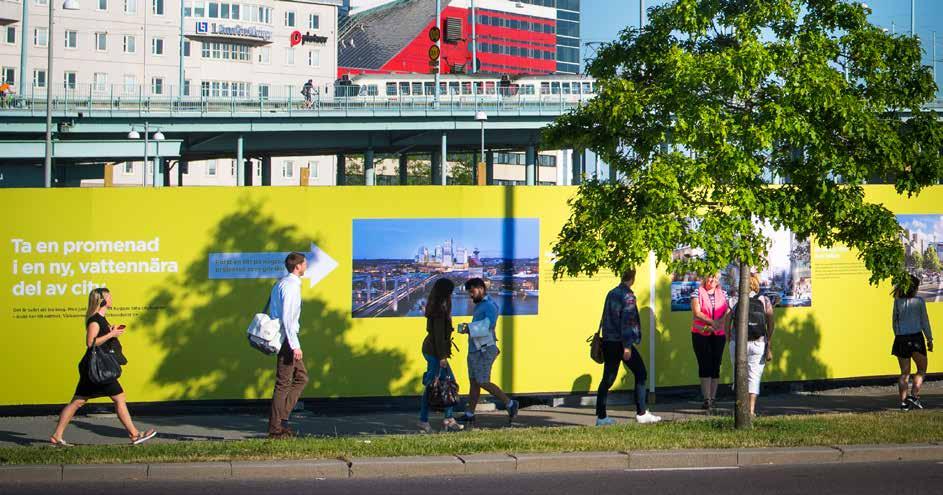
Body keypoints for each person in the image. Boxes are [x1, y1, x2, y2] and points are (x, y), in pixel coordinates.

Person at [50, 288, 157, 446]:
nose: (112, 299)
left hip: (93, 367)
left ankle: (56, 436)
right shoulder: (95, 320)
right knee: (118, 398)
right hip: (99, 368)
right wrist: (110, 335)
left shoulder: (102, 319)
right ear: (103, 301)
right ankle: (135, 435)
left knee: (77, 401)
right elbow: (90, 342)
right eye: (109, 297)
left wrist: (111, 331)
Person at [596, 268, 661, 426]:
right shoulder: (628, 296)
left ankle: (601, 417)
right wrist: (627, 346)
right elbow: (627, 322)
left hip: (609, 342)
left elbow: (605, 317)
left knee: (608, 379)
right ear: (632, 278)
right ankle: (641, 412)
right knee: (641, 373)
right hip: (622, 343)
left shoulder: (611, 293)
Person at [455, 278, 519, 424]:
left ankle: (510, 403)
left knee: (482, 381)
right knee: (474, 383)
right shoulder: (480, 306)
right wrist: (469, 328)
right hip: (475, 349)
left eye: (472, 291)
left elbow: (488, 325)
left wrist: (468, 328)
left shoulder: (490, 306)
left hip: (484, 349)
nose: (470, 295)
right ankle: (470, 414)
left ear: (481, 288)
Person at [267, 252, 310, 438]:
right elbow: (288, 318)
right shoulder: (292, 286)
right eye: (305, 263)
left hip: (284, 338)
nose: (306, 266)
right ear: (298, 266)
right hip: (287, 340)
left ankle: (282, 420)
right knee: (283, 384)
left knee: (301, 377)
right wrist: (295, 345)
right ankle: (276, 429)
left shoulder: (280, 283)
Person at [418, 278, 464, 433]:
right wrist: (443, 357)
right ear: (446, 292)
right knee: (439, 386)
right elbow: (438, 337)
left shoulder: (437, 306)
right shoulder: (439, 310)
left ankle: (447, 419)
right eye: (450, 291)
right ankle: (427, 421)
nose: (452, 294)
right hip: (436, 353)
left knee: (442, 385)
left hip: (432, 351)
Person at [725, 273, 774, 417]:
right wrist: (768, 340)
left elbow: (726, 323)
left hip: (738, 343)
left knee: (738, 376)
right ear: (756, 285)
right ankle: (751, 411)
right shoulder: (764, 300)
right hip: (758, 344)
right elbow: (771, 322)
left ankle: (740, 409)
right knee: (754, 377)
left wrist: (730, 340)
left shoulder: (734, 300)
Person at [891, 274, 933, 410]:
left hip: (901, 338)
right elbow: (924, 321)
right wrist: (929, 338)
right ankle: (914, 395)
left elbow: (894, 322)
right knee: (921, 369)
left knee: (904, 373)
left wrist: (898, 335)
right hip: (916, 338)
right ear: (914, 288)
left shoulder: (897, 301)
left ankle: (903, 404)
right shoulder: (919, 301)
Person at [691, 272, 730, 411]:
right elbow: (697, 312)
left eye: (714, 277)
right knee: (704, 364)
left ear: (718, 279)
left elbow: (727, 311)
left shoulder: (724, 294)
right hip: (701, 333)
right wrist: (712, 322)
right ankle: (706, 399)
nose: (711, 280)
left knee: (716, 365)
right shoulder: (697, 292)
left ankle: (713, 398)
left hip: (718, 334)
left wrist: (719, 323)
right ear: (704, 278)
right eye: (709, 277)